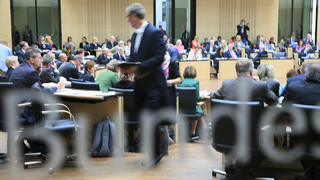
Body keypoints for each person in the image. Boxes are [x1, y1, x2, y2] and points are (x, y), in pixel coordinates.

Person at [121, 3, 171, 165]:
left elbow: (159, 57)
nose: (128, 20)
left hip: (154, 86)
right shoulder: (135, 35)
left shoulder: (154, 32)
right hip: (141, 87)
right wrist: (125, 65)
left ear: (134, 16)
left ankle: (156, 154)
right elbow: (135, 56)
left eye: (128, 16)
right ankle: (155, 152)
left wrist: (137, 67)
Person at [9, 47, 65, 124]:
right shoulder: (31, 72)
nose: (42, 60)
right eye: (39, 58)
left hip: (15, 108)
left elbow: (35, 87)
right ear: (32, 60)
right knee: (58, 113)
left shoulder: (18, 69)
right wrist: (56, 87)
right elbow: (42, 92)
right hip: (26, 110)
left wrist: (38, 73)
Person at [211, 59, 278, 106]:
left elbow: (213, 98)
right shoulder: (260, 85)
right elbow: (274, 101)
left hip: (231, 124)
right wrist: (258, 82)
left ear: (237, 72)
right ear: (251, 72)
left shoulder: (226, 84)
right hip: (254, 125)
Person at [178, 66, 208, 140]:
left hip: (181, 109)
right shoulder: (195, 82)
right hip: (192, 109)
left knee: (194, 106)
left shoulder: (180, 82)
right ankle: (195, 131)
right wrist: (202, 96)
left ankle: (200, 128)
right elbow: (197, 98)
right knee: (196, 106)